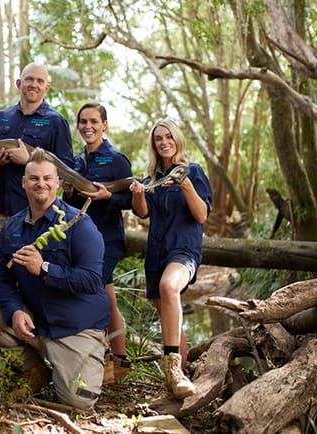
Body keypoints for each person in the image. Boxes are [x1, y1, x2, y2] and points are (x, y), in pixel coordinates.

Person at [0, 148, 109, 410]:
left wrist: (44, 268)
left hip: (74, 327)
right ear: (24, 183)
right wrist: (14, 311)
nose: (41, 184)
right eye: (34, 178)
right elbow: (1, 274)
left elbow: (92, 280)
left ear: (58, 183)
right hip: (35, 322)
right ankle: (36, 367)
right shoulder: (12, 226)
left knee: (78, 402)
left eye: (47, 178)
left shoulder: (79, 223)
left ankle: (90, 358)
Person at [0, 63, 73, 310]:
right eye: (29, 79)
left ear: (46, 87)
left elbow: (66, 169)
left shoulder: (56, 122)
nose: (34, 85)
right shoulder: (3, 117)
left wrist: (29, 161)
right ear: (19, 83)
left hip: (35, 215)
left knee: (30, 278)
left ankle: (27, 336)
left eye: (39, 81)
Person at [129, 119, 212, 400]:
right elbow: (142, 213)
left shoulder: (193, 171)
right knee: (166, 311)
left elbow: (201, 215)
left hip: (184, 250)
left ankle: (172, 366)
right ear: (153, 145)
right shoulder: (151, 178)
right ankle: (180, 381)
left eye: (168, 137)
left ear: (177, 139)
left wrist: (186, 185)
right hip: (156, 252)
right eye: (158, 139)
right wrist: (139, 194)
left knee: (169, 287)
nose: (164, 142)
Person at [62, 103, 132, 384]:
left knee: (93, 294)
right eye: (82, 121)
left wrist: (109, 198)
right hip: (82, 240)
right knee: (108, 296)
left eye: (93, 121)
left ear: (105, 124)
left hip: (109, 239)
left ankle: (100, 358)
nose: (87, 126)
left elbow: (133, 201)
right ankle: (121, 361)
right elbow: (72, 205)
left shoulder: (116, 159)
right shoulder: (77, 162)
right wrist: (67, 193)